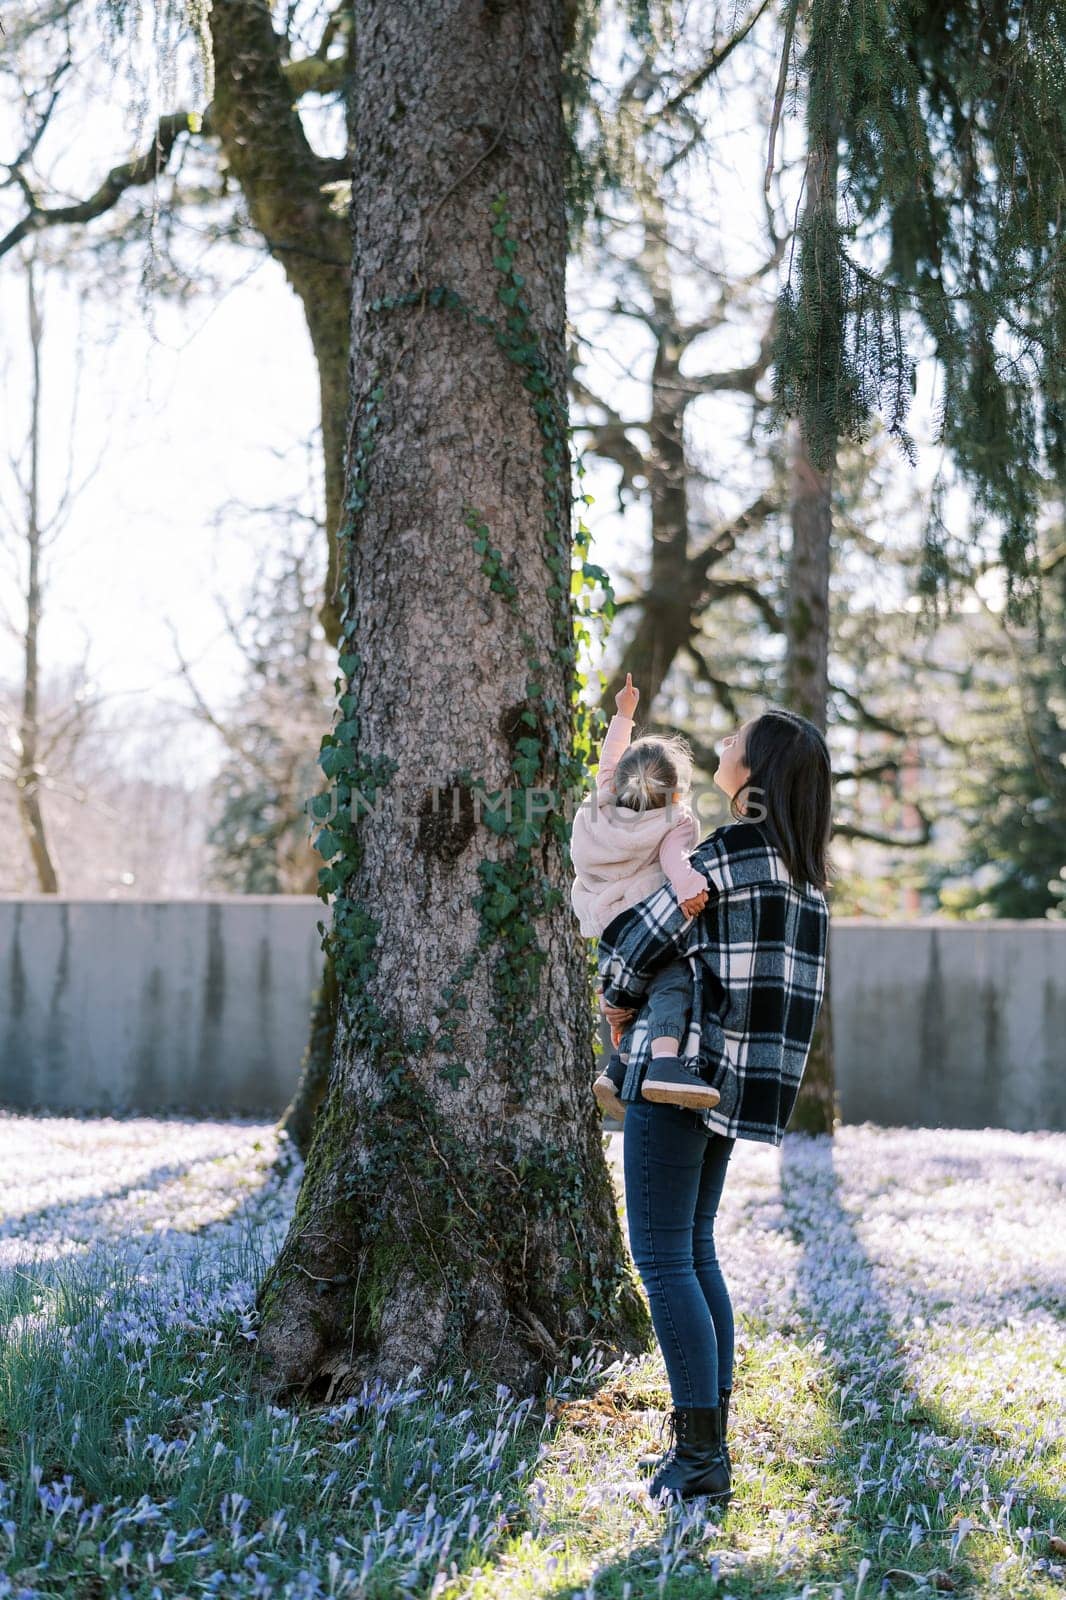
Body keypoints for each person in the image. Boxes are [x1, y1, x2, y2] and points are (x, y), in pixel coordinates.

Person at [598, 707, 833, 1506]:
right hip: (733, 1086)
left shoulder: (727, 855)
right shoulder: (806, 879)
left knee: (665, 1258)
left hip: (679, 1073)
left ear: (757, 771)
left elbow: (636, 942)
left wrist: (617, 1002)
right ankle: (708, 1442)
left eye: (735, 743)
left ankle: (700, 1461)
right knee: (694, 1250)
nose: (723, 749)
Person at [570, 673, 719, 1115]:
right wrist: (693, 889)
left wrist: (623, 715)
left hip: (604, 928)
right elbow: (677, 864)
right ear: (675, 792)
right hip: (642, 925)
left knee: (633, 1003)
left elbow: (609, 760)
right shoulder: (675, 821)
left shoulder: (602, 801)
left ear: (619, 784)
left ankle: (616, 1071)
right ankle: (666, 1065)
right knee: (674, 983)